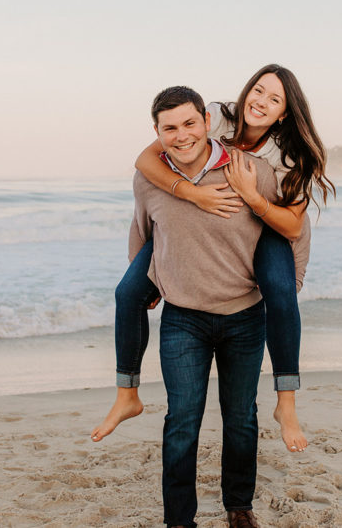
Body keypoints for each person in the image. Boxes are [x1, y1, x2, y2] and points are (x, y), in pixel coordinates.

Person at [91, 64, 335, 452]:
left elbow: (291, 226)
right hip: (200, 223)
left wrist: (252, 196)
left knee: (280, 291)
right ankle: (127, 395)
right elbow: (145, 160)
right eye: (258, 90)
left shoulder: (291, 154)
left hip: (268, 225)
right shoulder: (218, 116)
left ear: (285, 112)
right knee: (128, 292)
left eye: (275, 99)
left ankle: (286, 403)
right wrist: (192, 194)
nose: (261, 101)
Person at [130, 86, 277, 527]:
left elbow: (288, 228)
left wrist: (289, 286)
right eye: (169, 128)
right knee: (181, 422)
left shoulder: (250, 170)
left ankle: (239, 505)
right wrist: (146, 285)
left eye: (189, 123)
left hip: (244, 317)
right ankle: (179, 520)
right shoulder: (149, 177)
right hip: (183, 321)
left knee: (241, 419)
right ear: (157, 132)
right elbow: (140, 233)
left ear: (207, 122)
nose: (181, 135)